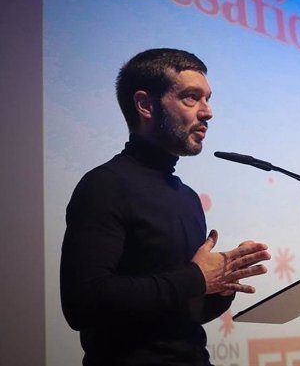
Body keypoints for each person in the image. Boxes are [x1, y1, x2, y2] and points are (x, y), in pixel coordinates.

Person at [60, 48, 271, 366]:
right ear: (145, 105)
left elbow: (187, 312)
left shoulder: (185, 197)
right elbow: (83, 303)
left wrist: (219, 287)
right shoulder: (105, 186)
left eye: (208, 99)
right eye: (191, 97)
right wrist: (196, 278)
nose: (208, 112)